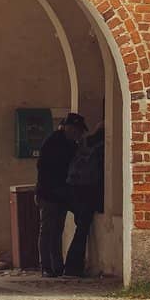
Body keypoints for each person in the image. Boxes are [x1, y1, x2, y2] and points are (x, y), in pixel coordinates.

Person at [35, 112, 87, 278]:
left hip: (61, 194)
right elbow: (46, 170)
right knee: (48, 230)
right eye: (76, 130)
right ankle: (46, 266)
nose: (78, 134)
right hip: (49, 193)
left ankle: (56, 265)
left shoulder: (69, 144)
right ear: (68, 128)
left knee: (57, 230)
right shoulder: (54, 143)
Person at [64, 122, 104, 277]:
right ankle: (73, 267)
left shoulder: (83, 145)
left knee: (80, 229)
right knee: (81, 231)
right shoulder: (99, 149)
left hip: (76, 190)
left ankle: (73, 266)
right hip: (89, 191)